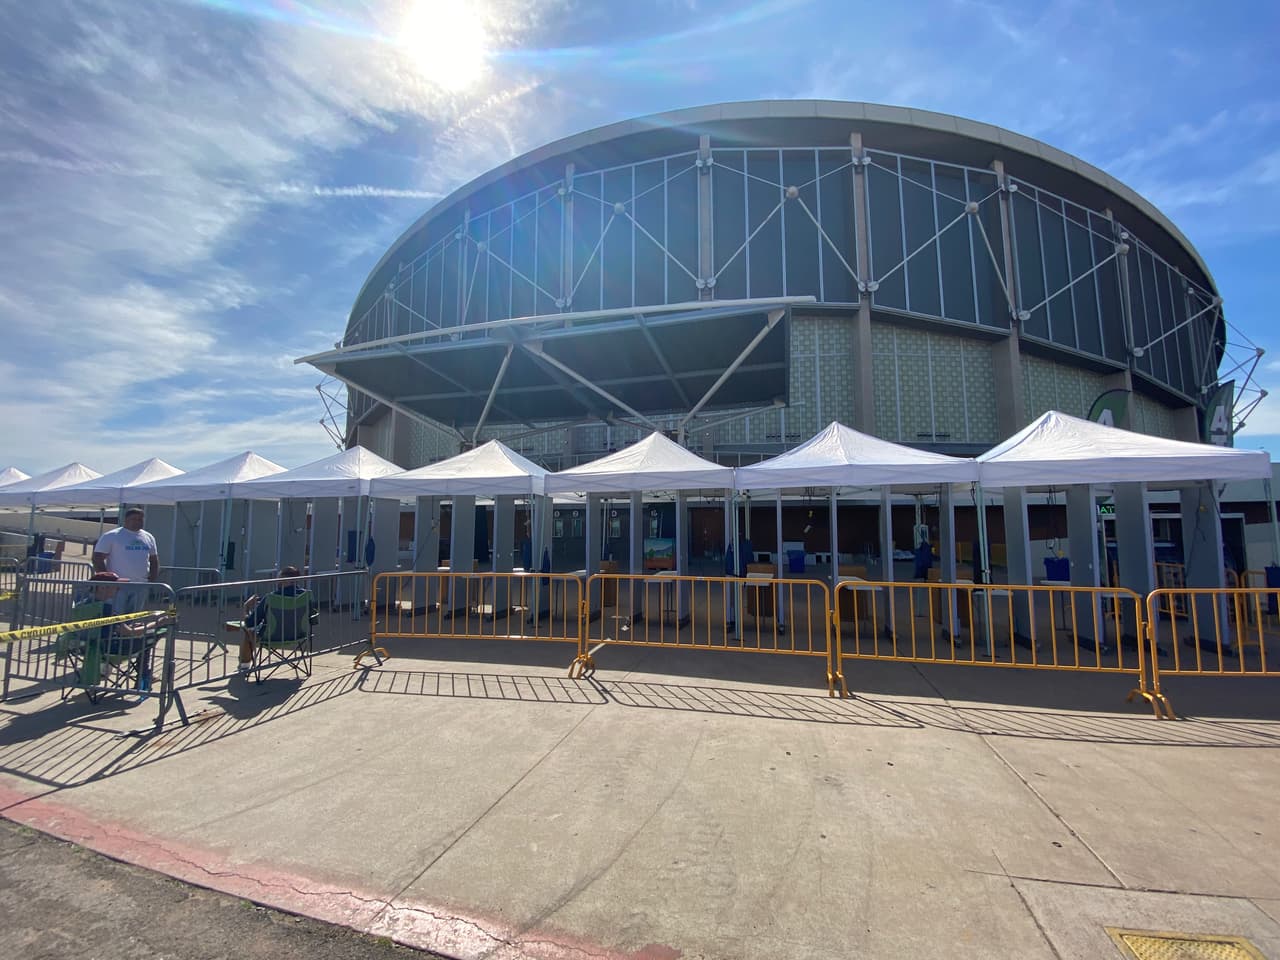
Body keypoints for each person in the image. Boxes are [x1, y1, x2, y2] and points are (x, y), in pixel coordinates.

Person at [236, 565, 313, 674]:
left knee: (248, 630)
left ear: (284, 580)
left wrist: (246, 606)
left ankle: (244, 665)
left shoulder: (270, 598)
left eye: (279, 578)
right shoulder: (306, 595)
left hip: (272, 636)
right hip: (299, 635)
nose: (277, 581)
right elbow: (313, 617)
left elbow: (250, 622)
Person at [93, 508, 158, 613]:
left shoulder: (149, 537)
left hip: (141, 585)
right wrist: (107, 580)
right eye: (134, 519)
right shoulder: (111, 536)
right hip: (118, 586)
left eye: (140, 519)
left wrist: (152, 579)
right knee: (115, 616)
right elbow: (97, 558)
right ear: (126, 520)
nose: (137, 522)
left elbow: (154, 559)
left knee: (134, 616)